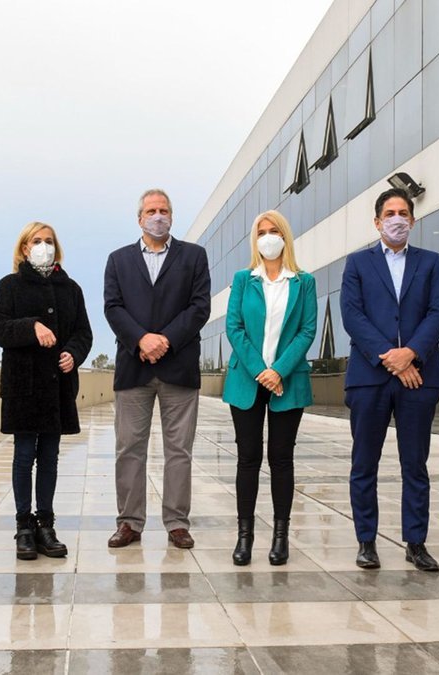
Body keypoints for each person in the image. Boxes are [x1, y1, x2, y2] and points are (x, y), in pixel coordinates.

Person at [341, 188, 439, 571]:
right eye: (390, 213)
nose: (397, 218)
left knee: (415, 464)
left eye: (404, 212)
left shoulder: (431, 262)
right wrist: (392, 358)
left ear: (413, 221)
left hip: (420, 377)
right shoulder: (357, 263)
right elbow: (352, 315)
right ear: (377, 221)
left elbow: (437, 313)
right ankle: (366, 541)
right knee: (364, 463)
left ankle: (416, 542)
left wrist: (411, 354)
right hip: (370, 378)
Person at [103, 188, 210, 549]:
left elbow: (199, 307)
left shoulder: (194, 256)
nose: (158, 215)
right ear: (139, 218)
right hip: (133, 369)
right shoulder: (118, 260)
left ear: (172, 216)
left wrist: (164, 339)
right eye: (151, 210)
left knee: (179, 450)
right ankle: (130, 522)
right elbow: (113, 308)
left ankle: (177, 522)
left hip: (178, 368)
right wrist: (141, 340)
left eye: (164, 210)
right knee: (129, 448)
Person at [0, 222, 92, 560]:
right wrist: (31, 326)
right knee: (23, 456)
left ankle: (45, 523)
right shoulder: (10, 285)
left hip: (57, 387)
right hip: (23, 385)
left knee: (49, 456)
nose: (44, 246)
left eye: (49, 241)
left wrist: (74, 354)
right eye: (37, 241)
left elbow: (83, 332)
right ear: (24, 248)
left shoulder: (71, 288)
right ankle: (23, 526)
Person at [222, 210, 317, 566]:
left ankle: (280, 537)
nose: (268, 237)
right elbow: (234, 328)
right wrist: (261, 370)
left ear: (285, 235)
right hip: (247, 380)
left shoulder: (303, 281)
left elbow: (308, 330)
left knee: (282, 459)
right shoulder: (243, 279)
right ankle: (244, 537)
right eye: (261, 231)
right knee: (248, 459)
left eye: (274, 230)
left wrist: (278, 370)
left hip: (287, 381)